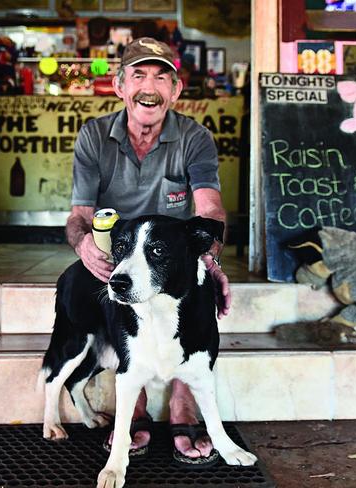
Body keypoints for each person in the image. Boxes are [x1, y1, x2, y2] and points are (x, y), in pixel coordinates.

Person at [67, 37, 231, 467]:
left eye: (161, 77)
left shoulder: (195, 138)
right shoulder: (94, 136)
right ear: (120, 85)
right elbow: (78, 216)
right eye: (138, 75)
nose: (149, 87)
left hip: (171, 253)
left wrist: (210, 259)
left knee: (197, 285)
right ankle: (133, 400)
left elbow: (209, 207)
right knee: (113, 287)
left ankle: (183, 402)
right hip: (117, 249)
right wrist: (85, 245)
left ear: (175, 92)